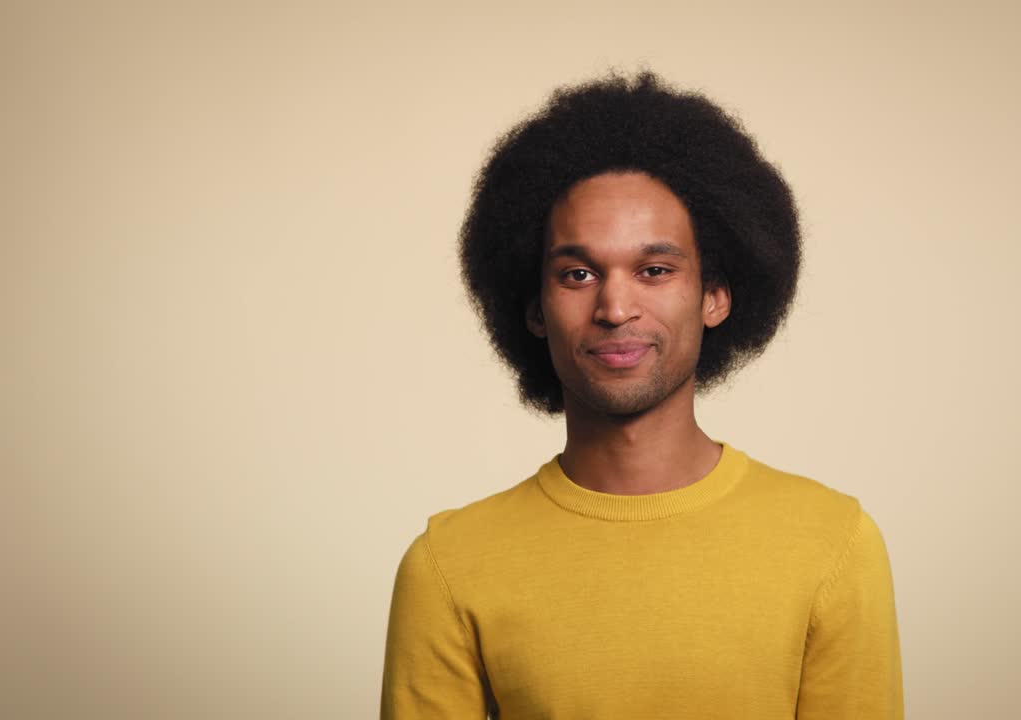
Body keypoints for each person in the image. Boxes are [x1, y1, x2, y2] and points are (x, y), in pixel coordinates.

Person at [381, 72, 903, 719]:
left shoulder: (833, 543)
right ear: (536, 307)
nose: (615, 306)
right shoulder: (449, 566)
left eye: (654, 270)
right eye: (578, 273)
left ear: (715, 295)